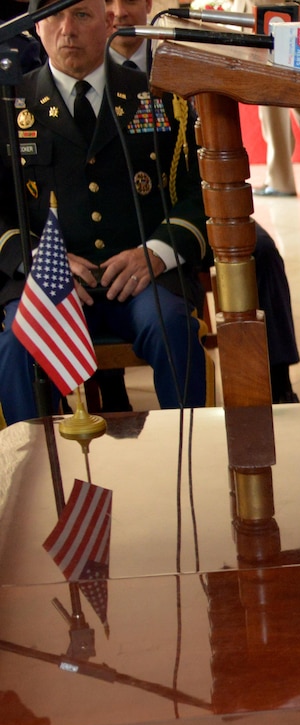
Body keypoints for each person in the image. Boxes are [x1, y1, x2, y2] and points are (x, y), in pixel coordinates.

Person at [0, 0, 208, 422]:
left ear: (108, 22)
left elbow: (198, 193)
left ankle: (189, 468)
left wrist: (156, 252)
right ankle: (32, 472)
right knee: (17, 344)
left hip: (140, 278)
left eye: (80, 15)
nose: (66, 30)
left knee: (174, 330)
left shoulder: (158, 96)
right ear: (37, 28)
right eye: (53, 17)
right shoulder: (9, 105)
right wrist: (40, 260)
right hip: (49, 281)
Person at [104, 0, 300, 403]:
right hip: (122, 222)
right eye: (107, 3)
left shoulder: (181, 59)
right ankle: (111, 392)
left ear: (148, 5)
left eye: (130, 1)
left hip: (189, 210)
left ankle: (276, 380)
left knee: (260, 251)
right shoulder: (84, 72)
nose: (119, 12)